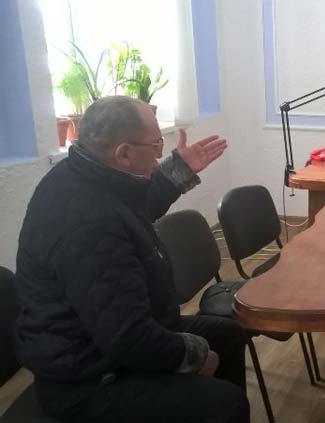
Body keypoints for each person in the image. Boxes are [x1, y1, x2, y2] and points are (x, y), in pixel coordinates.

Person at [14, 96, 250, 423]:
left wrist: (178, 170)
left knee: (228, 337)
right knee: (227, 403)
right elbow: (129, 339)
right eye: (155, 146)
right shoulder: (87, 223)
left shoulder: (88, 174)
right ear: (123, 153)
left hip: (113, 341)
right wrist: (194, 356)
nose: (159, 156)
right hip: (89, 377)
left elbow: (132, 210)